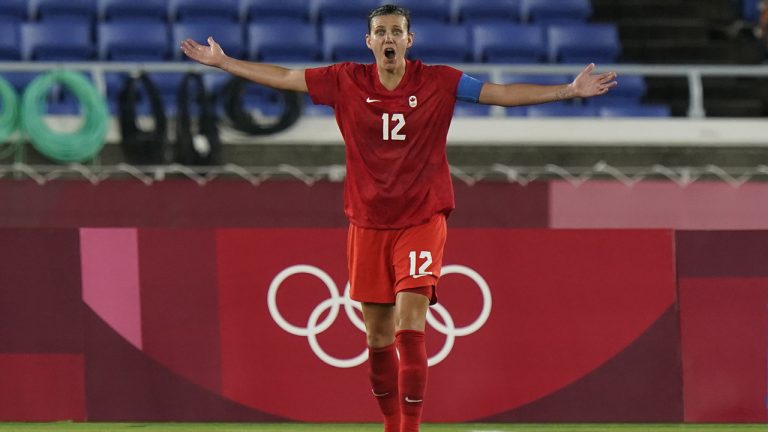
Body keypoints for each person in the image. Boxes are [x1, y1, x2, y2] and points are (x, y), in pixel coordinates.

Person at [182, 4, 617, 431]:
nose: (389, 38)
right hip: (368, 222)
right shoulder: (345, 80)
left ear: (409, 40)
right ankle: (392, 423)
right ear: (369, 41)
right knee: (376, 339)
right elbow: (285, 77)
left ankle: (408, 428)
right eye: (381, 32)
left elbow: (499, 94)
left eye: (396, 31)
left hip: (421, 217)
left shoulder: (439, 81)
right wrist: (223, 63)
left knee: (412, 323)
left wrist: (568, 90)